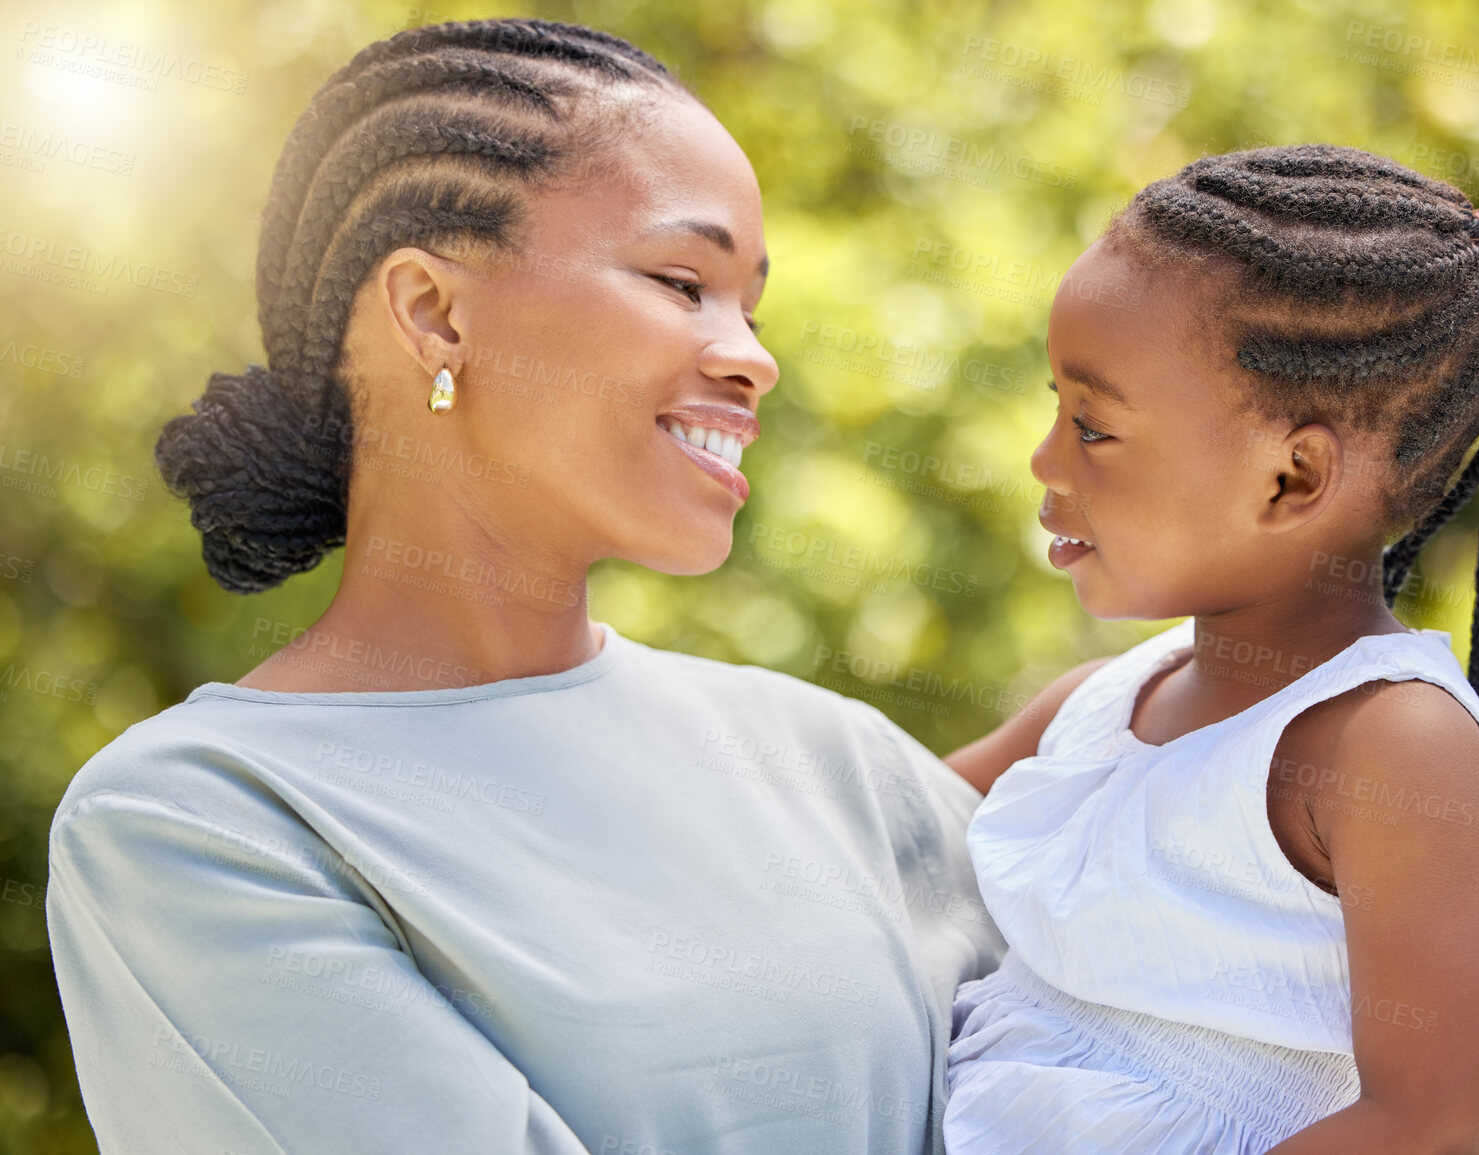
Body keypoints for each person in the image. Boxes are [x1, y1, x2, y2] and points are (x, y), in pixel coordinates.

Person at [45, 19, 1003, 1155]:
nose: (752, 354)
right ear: (433, 312)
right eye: (682, 280)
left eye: (750, 304)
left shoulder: (834, 757)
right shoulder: (199, 823)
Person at [939, 145, 1479, 1153]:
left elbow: (1429, 1124)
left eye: (1093, 427)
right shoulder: (1106, 702)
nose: (1044, 459)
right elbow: (881, 829)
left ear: (1291, 479)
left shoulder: (1392, 744)